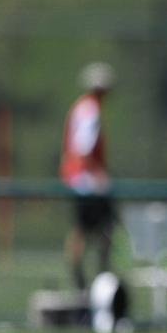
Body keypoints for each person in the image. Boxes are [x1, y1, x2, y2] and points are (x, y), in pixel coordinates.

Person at [60, 62, 116, 291]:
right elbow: (83, 151)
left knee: (85, 229)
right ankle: (93, 278)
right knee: (102, 230)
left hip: (78, 179)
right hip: (86, 181)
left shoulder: (82, 108)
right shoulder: (90, 111)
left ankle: (86, 277)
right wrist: (101, 176)